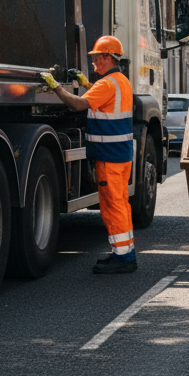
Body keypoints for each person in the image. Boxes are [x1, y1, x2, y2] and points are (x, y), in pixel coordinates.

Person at [42, 36, 139, 274]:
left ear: (107, 58)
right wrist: (87, 84)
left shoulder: (106, 85)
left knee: (112, 207)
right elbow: (105, 102)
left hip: (109, 157)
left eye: (96, 58)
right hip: (121, 155)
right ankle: (125, 253)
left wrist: (55, 86)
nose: (94, 63)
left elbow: (77, 105)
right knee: (121, 205)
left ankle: (123, 258)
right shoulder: (121, 81)